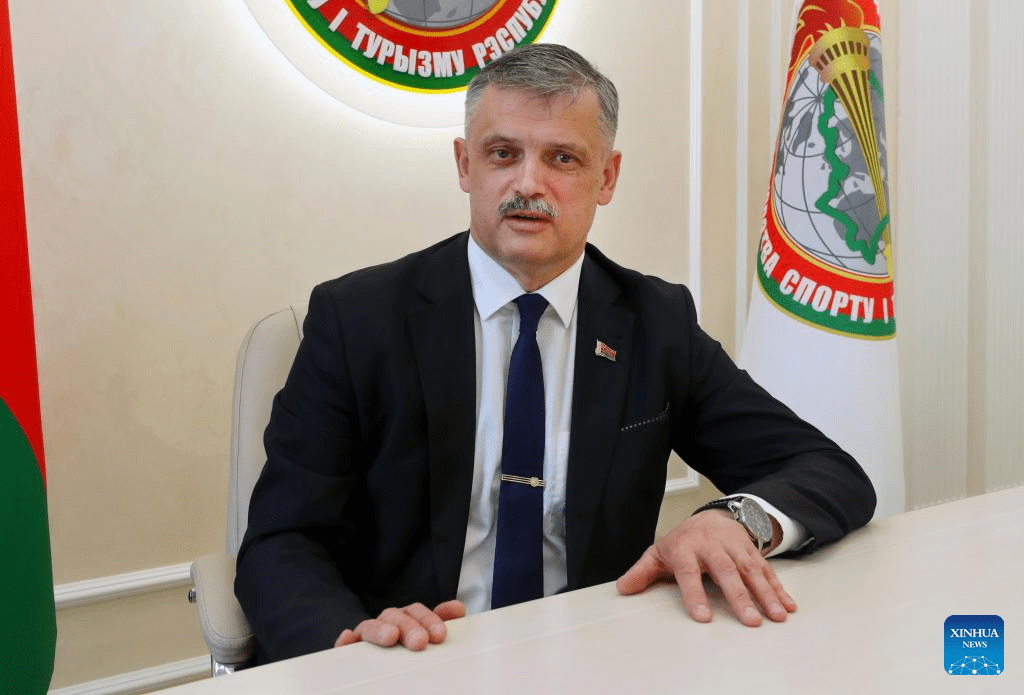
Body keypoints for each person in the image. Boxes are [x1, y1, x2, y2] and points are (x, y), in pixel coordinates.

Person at [235, 43, 875, 665]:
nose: (527, 184)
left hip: (591, 661)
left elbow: (826, 470)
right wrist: (353, 646)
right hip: (412, 663)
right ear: (464, 165)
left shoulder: (656, 322)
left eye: (562, 158)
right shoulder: (359, 318)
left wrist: (737, 520)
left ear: (607, 177)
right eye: (503, 154)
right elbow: (281, 540)